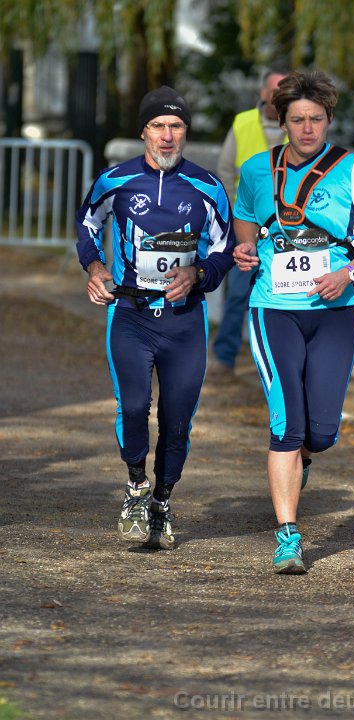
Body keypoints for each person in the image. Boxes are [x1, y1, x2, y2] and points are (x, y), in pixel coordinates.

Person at [233, 70, 354, 574]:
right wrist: (244, 248)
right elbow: (244, 217)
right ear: (281, 120)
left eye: (316, 119)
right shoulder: (257, 169)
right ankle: (288, 536)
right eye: (298, 119)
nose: (307, 129)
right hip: (273, 310)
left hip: (334, 313)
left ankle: (305, 456)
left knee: (320, 433)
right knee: (286, 424)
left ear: (328, 121)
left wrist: (348, 273)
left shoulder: (352, 168)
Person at [76, 86, 235, 549]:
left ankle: (162, 500)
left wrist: (199, 273)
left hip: (185, 320)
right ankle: (136, 487)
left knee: (177, 418)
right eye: (158, 126)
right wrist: (95, 267)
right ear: (144, 131)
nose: (168, 136)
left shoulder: (207, 187)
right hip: (130, 313)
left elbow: (224, 249)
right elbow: (87, 224)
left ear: (186, 132)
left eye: (176, 126)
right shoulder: (115, 180)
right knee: (132, 406)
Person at [208, 69, 288, 379]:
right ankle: (224, 356)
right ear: (263, 93)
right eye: (275, 89)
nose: (279, 96)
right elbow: (226, 171)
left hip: (286, 228)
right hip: (247, 226)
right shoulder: (242, 123)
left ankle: (278, 361)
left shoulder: (299, 123)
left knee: (284, 294)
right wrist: (237, 214)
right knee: (239, 293)